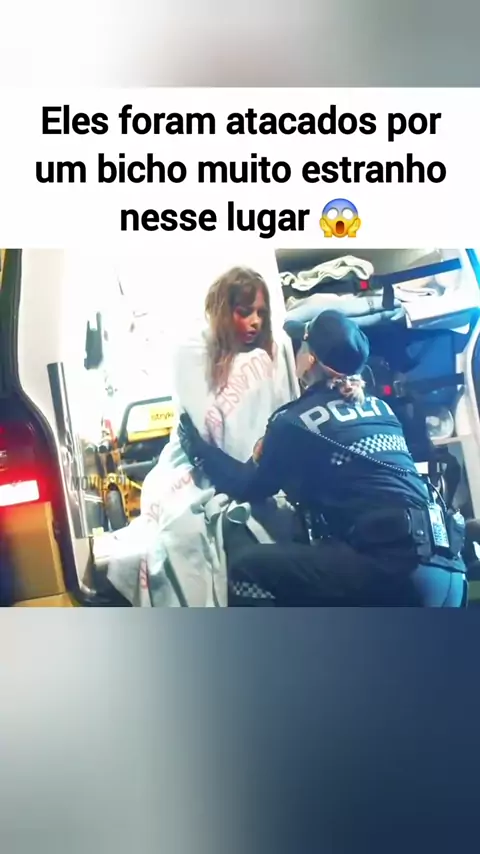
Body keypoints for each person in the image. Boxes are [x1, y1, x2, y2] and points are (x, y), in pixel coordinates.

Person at [179, 310, 467, 607]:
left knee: (245, 571)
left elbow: (248, 486)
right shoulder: (382, 410)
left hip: (396, 572)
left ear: (310, 359)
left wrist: (197, 448)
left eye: (301, 346)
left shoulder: (295, 421)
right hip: (450, 573)